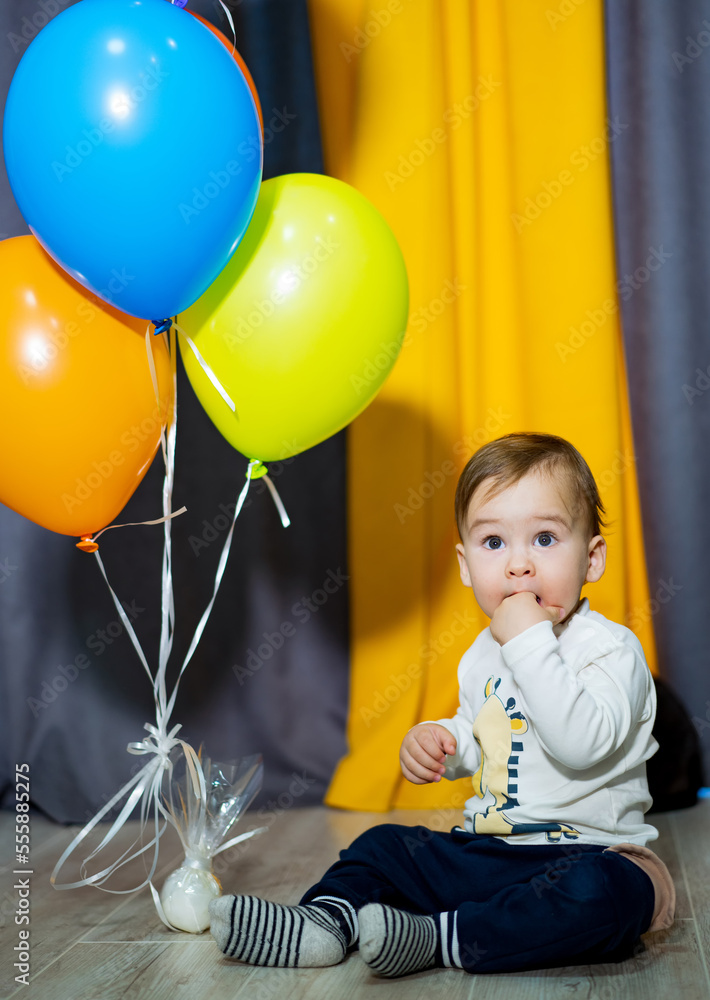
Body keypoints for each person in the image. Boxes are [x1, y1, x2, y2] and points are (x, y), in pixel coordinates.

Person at [209, 432, 675, 977]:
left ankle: (441, 937)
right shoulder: (482, 655)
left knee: (608, 896)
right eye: (494, 543)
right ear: (464, 564)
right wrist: (445, 743)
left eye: (545, 539)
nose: (519, 565)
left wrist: (527, 643)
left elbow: (580, 746)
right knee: (385, 845)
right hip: (491, 851)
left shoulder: (612, 650)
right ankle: (325, 923)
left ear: (591, 558)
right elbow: (490, 735)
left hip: (588, 854)